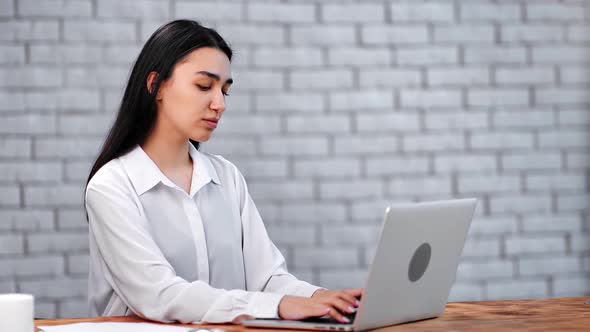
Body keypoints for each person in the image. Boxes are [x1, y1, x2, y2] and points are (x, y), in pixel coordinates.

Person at [84, 19, 362, 324]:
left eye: (224, 91)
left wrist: (319, 298)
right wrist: (279, 306)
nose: (219, 104)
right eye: (204, 86)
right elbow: (158, 294)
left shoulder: (227, 177)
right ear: (156, 85)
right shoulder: (111, 186)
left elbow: (267, 279)